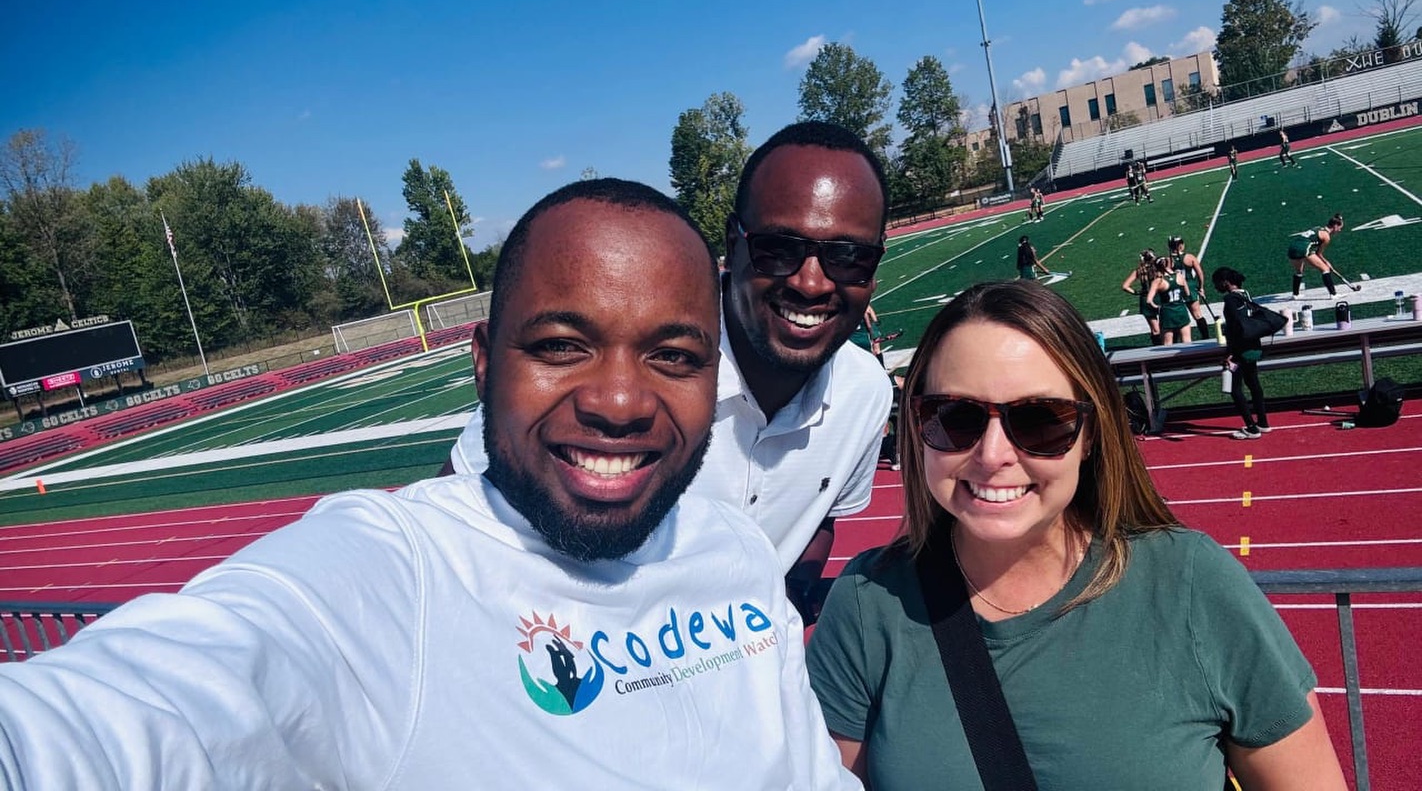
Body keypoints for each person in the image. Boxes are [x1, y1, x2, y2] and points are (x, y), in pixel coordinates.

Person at [0, 179, 859, 790]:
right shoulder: (396, 574)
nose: (620, 401)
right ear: (484, 366)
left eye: (673, 357)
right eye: (561, 345)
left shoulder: (738, 552)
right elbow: (130, 711)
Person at [806, 280, 1346, 790]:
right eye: (954, 417)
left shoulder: (1189, 585)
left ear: (1091, 435)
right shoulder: (867, 607)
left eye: (1041, 420)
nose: (993, 455)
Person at [441, 121, 894, 622]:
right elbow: (451, 506)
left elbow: (821, 515)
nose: (812, 282)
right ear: (733, 242)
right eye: (779, 249)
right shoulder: (626, 376)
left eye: (849, 257)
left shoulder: (866, 394)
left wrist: (789, 605)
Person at [1215, 266, 1272, 440]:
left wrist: (1230, 352)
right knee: (1253, 383)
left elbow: (1235, 327)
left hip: (1240, 349)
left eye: (1218, 283)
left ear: (1226, 282)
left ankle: (1251, 428)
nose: (1217, 287)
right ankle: (1263, 422)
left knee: (1234, 388)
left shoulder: (1230, 299)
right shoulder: (1245, 294)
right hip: (1253, 345)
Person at [1288, 213, 1345, 300]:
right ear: (1335, 226)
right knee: (1325, 269)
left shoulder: (1317, 228)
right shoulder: (1326, 236)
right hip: (1304, 249)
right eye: (1340, 228)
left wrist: (1324, 261)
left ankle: (1295, 294)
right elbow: (1319, 253)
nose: (1339, 230)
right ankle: (1333, 294)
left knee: (1299, 271)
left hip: (1292, 248)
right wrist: (1326, 262)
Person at [1168, 235, 1210, 341]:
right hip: (1190, 288)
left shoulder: (1168, 260)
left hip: (1177, 290)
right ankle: (1205, 337)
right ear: (1181, 245)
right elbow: (1200, 273)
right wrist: (1201, 287)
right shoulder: (1189, 257)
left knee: (1177, 318)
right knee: (1198, 315)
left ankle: (1175, 341)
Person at [1148, 252, 1193, 344]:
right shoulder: (1179, 276)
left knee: (1168, 344)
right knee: (1187, 342)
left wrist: (1157, 307)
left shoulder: (1158, 281)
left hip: (1167, 313)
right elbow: (1187, 293)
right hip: (1181, 310)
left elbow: (1149, 300)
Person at [1121, 249, 1162, 345]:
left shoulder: (1139, 271)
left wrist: (1136, 292)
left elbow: (1125, 286)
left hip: (1145, 298)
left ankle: (1157, 349)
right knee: (1165, 325)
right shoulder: (1157, 268)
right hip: (1158, 296)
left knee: (1155, 329)